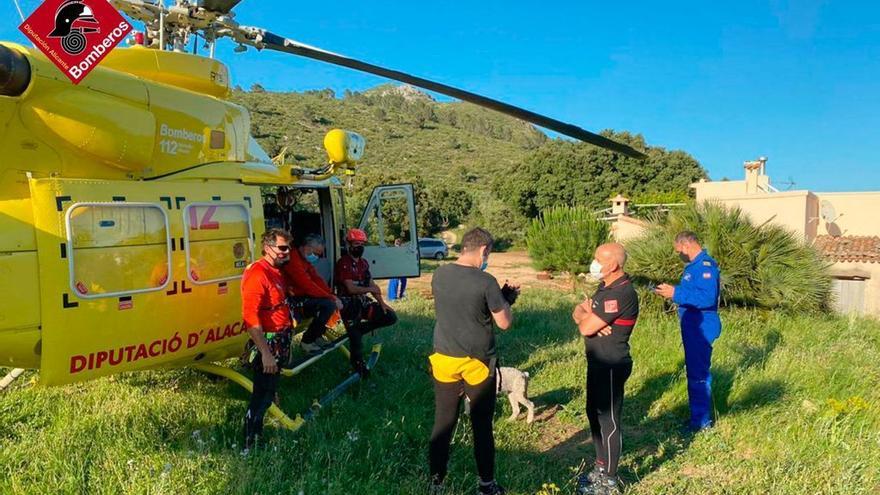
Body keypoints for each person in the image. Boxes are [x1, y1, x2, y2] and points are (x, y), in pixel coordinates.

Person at [427, 227, 520, 495]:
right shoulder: (486, 281)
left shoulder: (439, 273)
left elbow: (459, 305)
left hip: (443, 358)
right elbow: (504, 322)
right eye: (487, 254)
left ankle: (436, 482)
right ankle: (486, 485)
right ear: (483, 250)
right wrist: (506, 298)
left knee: (443, 421)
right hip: (476, 363)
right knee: (481, 426)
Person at [572, 243, 639, 495]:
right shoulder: (605, 287)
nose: (594, 262)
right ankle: (601, 467)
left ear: (613, 265)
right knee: (593, 413)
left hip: (611, 363)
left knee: (608, 420)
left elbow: (585, 327)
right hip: (597, 361)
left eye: (598, 259)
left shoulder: (621, 293)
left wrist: (589, 320)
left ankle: (610, 481)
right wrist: (586, 316)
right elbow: (579, 312)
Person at [654, 231, 721, 432]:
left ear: (686, 245)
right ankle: (697, 417)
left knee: (698, 374)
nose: (678, 255)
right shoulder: (693, 267)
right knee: (694, 372)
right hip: (693, 325)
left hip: (702, 326)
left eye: (678, 251)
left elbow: (707, 298)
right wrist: (673, 292)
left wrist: (675, 293)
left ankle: (702, 423)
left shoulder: (705, 267)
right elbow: (692, 294)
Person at [240, 228, 294, 449]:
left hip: (280, 339)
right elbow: (250, 318)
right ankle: (249, 441)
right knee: (261, 395)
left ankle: (257, 433)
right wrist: (265, 353)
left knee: (269, 390)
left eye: (288, 247)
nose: (286, 252)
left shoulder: (275, 271)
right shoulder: (257, 274)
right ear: (267, 248)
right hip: (268, 343)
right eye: (282, 248)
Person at [334, 228, 398, 377]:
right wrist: (370, 288)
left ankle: (360, 329)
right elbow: (350, 288)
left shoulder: (363, 263)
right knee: (355, 341)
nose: (359, 247)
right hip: (349, 304)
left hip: (362, 302)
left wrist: (382, 303)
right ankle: (358, 366)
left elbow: (372, 284)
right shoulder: (344, 263)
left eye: (362, 244)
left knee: (390, 316)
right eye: (356, 244)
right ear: (349, 244)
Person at [282, 233, 344, 354]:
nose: (316, 257)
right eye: (316, 253)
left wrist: (332, 294)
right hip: (292, 298)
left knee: (330, 303)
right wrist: (331, 298)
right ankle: (307, 341)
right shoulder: (292, 259)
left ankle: (316, 335)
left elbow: (316, 279)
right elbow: (307, 285)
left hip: (301, 296)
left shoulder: (304, 259)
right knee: (328, 305)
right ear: (307, 247)